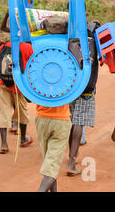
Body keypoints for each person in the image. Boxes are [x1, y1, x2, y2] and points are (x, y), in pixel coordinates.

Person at [67, 21, 100, 176]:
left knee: (73, 120)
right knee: (78, 122)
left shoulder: (68, 34)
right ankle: (71, 162)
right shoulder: (92, 37)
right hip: (86, 87)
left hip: (70, 85)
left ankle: (71, 156)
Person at [0, 39, 34, 153]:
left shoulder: (5, 46)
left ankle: (4, 143)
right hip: (20, 85)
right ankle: (22, 139)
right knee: (22, 111)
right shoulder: (27, 47)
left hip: (4, 83)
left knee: (3, 112)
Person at [36, 103, 72, 192]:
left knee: (50, 163)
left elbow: (28, 99)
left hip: (42, 119)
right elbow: (75, 95)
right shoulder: (65, 87)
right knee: (52, 163)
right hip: (61, 120)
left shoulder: (40, 87)